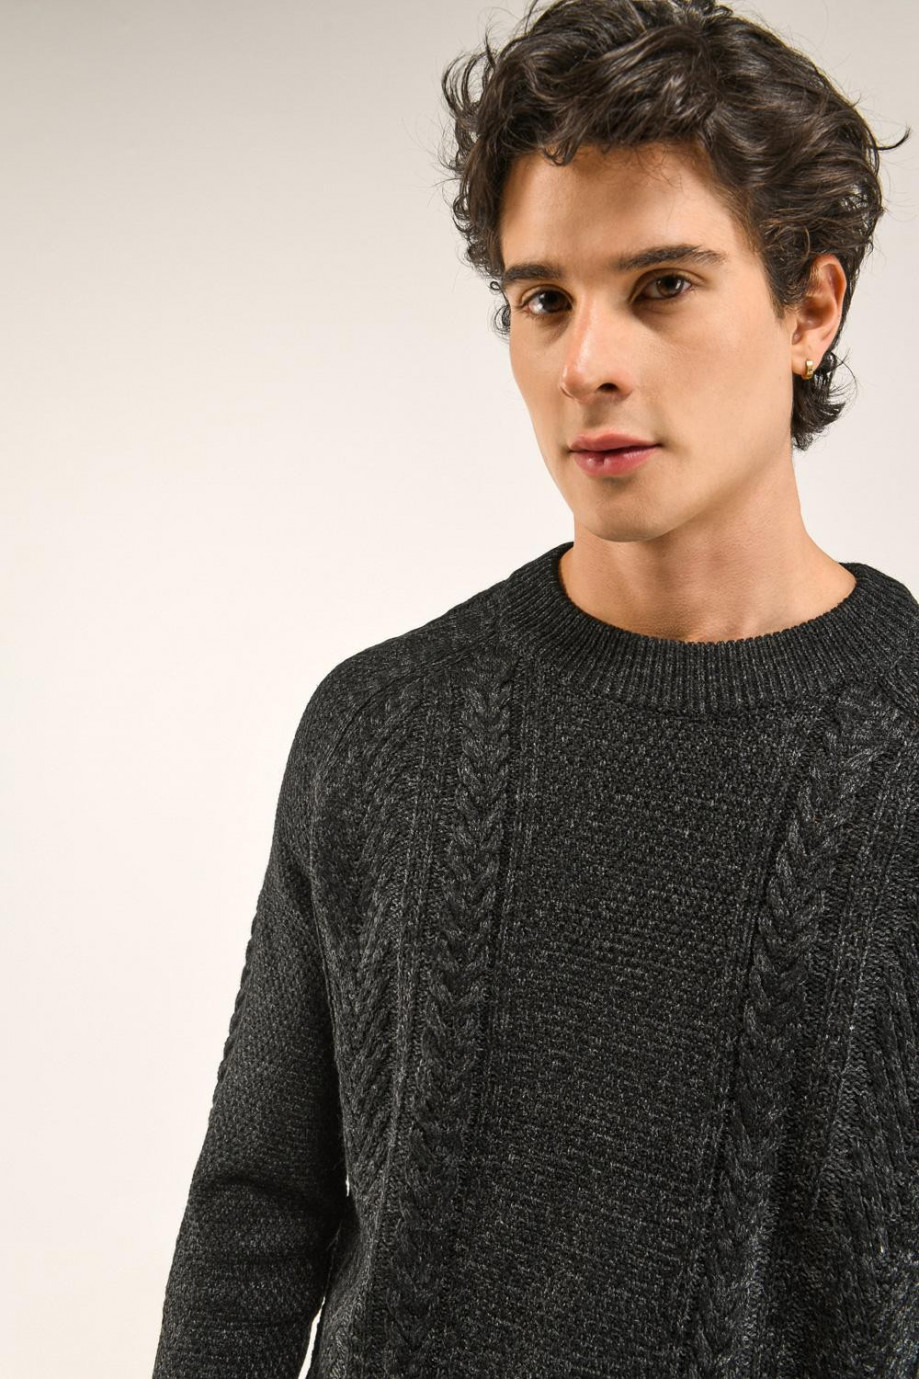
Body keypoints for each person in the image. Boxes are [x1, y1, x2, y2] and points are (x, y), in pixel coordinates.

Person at [151, 2, 919, 1375]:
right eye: (543, 298)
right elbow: (254, 1221)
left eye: (663, 286)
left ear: (811, 307)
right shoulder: (379, 728)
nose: (586, 365)